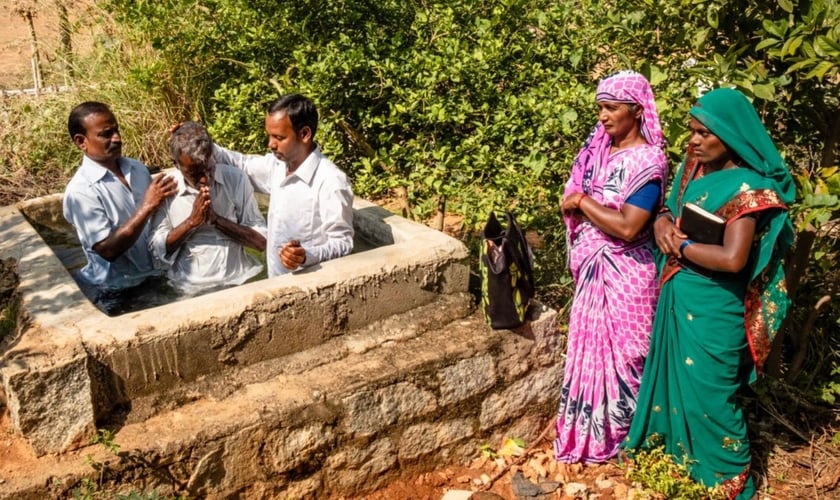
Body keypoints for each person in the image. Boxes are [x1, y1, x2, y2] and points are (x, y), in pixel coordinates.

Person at [621, 88, 795, 499]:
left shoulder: (748, 188)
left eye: (704, 134)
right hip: (680, 293)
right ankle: (678, 466)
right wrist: (662, 223)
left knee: (712, 396)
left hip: (716, 305)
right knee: (674, 381)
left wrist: (679, 247)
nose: (694, 141)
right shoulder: (695, 169)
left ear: (730, 136)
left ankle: (730, 481)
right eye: (692, 132)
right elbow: (670, 207)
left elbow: (734, 260)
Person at [554, 70, 668, 463]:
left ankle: (629, 438)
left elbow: (629, 225)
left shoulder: (647, 161)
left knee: (629, 354)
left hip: (628, 273)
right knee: (591, 349)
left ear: (636, 111)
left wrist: (583, 202)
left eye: (611, 108)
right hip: (593, 269)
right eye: (600, 108)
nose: (602, 116)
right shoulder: (599, 154)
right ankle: (591, 437)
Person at [212, 94, 354, 277]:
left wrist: (306, 256)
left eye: (279, 137)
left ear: (304, 134)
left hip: (311, 290)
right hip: (276, 284)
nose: (270, 144)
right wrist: (203, 141)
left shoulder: (331, 181)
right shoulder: (277, 166)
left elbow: (343, 243)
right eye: (269, 136)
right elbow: (241, 164)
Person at [63, 101, 177, 297]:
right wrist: (148, 205)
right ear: (81, 141)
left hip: (155, 276)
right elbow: (107, 250)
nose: (117, 138)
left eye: (117, 130)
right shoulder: (81, 192)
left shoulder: (137, 168)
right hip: (116, 289)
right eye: (106, 134)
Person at [149, 121, 267, 294]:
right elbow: (155, 250)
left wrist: (217, 221)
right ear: (176, 164)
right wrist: (191, 223)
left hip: (241, 279)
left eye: (209, 169)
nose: (205, 179)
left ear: (212, 155)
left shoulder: (235, 179)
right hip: (188, 287)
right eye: (195, 174)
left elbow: (261, 241)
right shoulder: (166, 190)